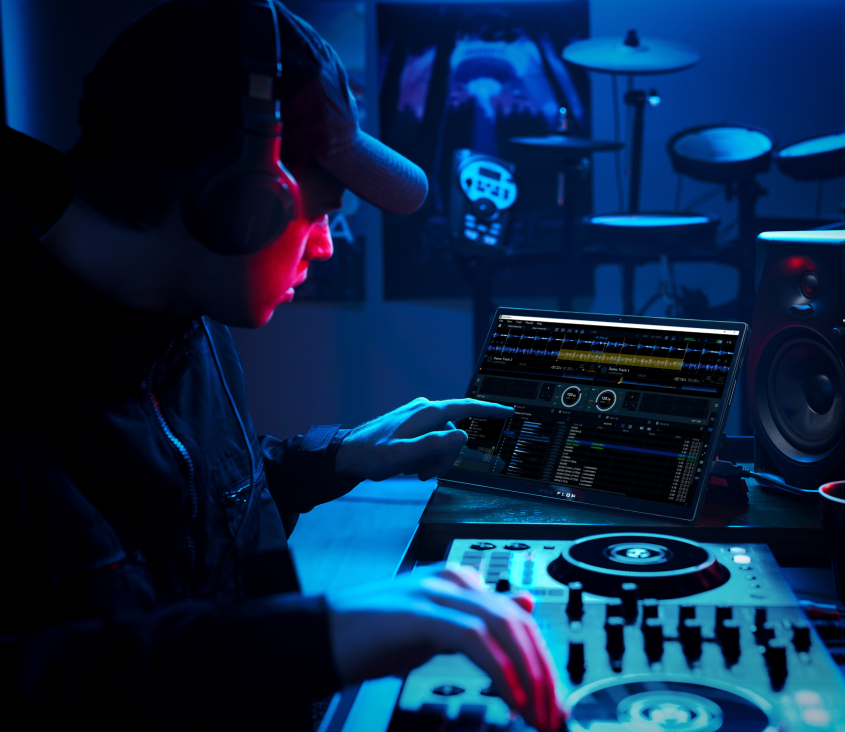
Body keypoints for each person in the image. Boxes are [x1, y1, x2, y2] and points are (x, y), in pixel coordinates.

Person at [0, 2, 562, 730]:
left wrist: (338, 457)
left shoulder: (184, 323)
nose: (325, 245)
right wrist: (312, 636)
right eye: (320, 210)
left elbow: (182, 510)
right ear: (240, 199)